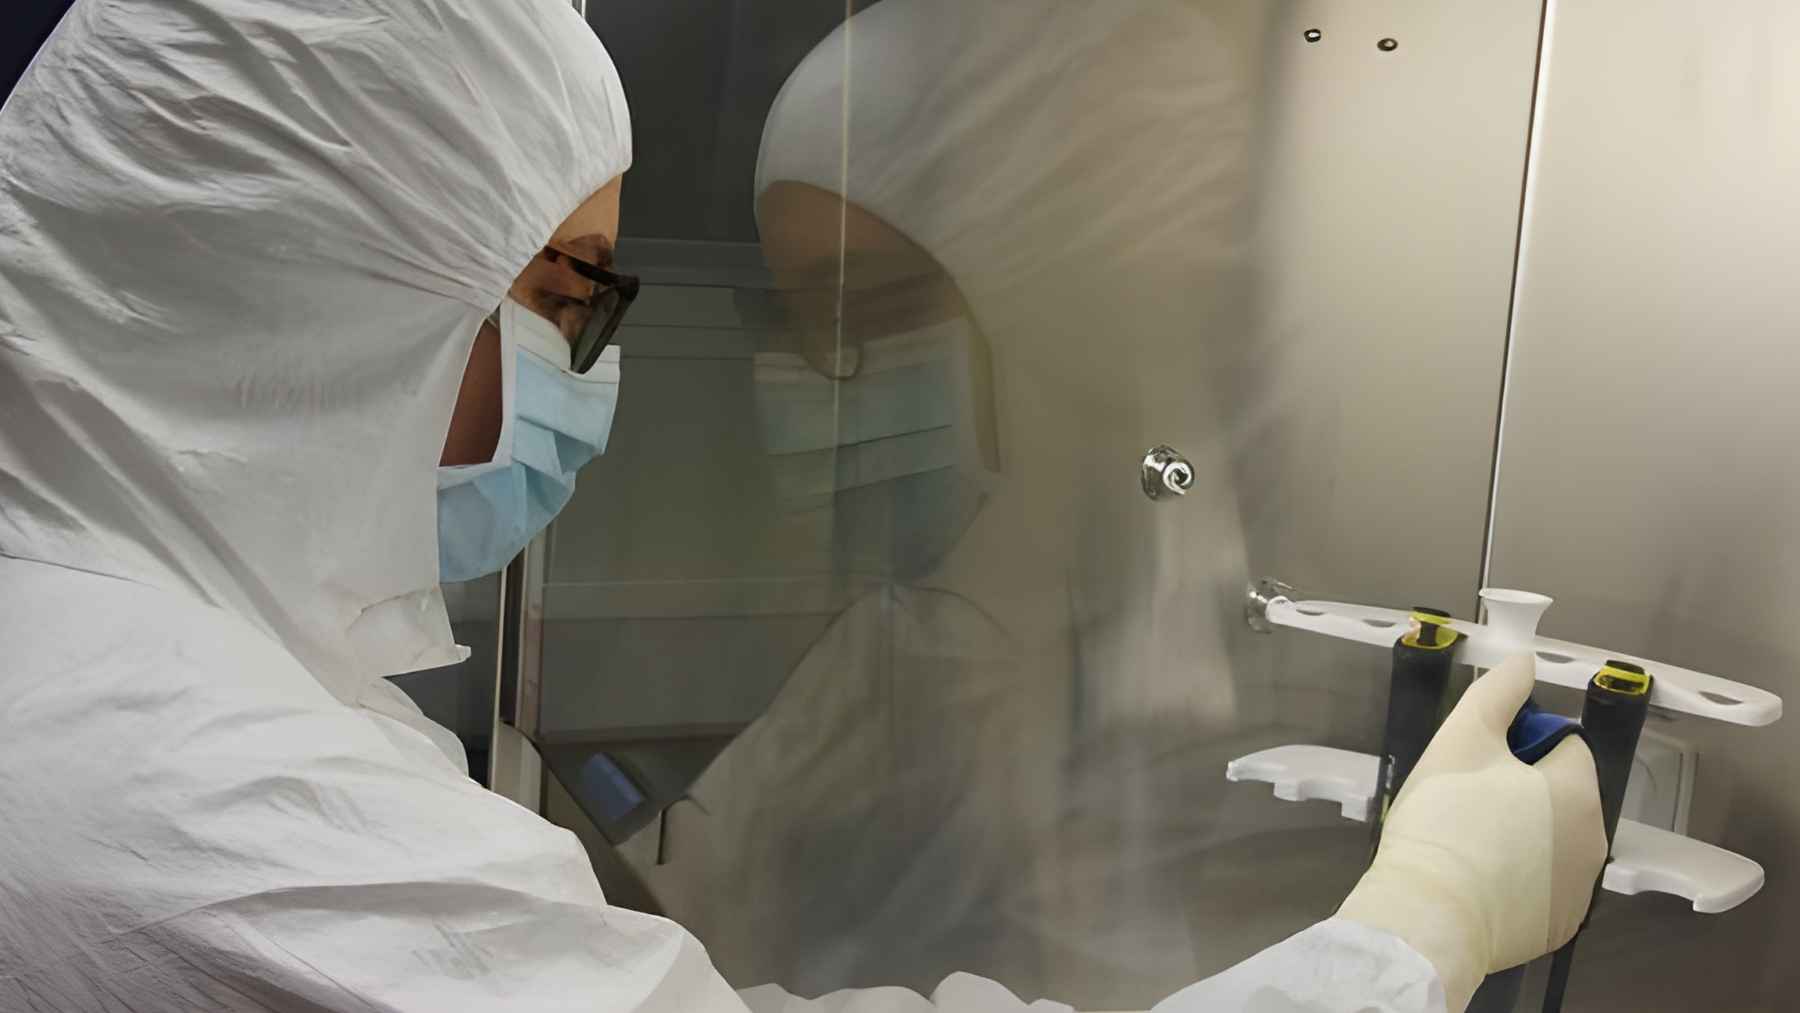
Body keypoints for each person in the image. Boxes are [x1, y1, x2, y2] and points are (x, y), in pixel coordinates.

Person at [0, 2, 1603, 1011]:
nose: (592, 371)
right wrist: (1417, 926)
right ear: (317, 298)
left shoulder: (97, 663)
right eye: (567, 296)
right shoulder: (210, 808)